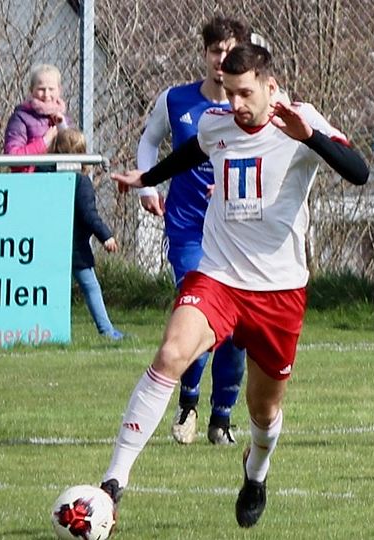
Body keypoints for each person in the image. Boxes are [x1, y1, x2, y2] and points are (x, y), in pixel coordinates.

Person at [102, 44, 369, 528]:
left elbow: (360, 172)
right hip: (219, 275)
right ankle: (112, 484)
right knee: (171, 353)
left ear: (271, 86)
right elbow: (193, 151)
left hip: (279, 291)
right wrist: (148, 177)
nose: (236, 103)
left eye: (245, 92)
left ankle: (256, 472)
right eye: (229, 92)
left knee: (263, 410)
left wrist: (310, 138)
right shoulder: (216, 121)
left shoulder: (302, 119)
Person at [135, 16, 253, 446]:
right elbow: (149, 141)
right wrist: (147, 187)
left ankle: (221, 418)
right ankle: (188, 403)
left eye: (230, 51)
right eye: (215, 51)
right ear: (204, 54)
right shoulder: (176, 100)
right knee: (196, 314)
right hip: (188, 229)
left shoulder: (252, 107)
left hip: (237, 234)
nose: (222, 59)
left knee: (236, 330)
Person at [52, 128, 123, 340]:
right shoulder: (81, 182)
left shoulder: (45, 176)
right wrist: (106, 236)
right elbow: (88, 214)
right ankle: (106, 330)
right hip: (75, 249)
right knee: (91, 287)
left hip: (51, 244)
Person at [4, 63, 71, 172]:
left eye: (51, 89)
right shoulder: (21, 117)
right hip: (32, 176)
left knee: (83, 179)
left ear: (59, 90)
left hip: (60, 175)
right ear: (32, 90)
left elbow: (74, 153)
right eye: (41, 89)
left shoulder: (64, 119)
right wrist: (44, 142)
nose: (46, 94)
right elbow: (12, 157)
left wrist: (63, 128)